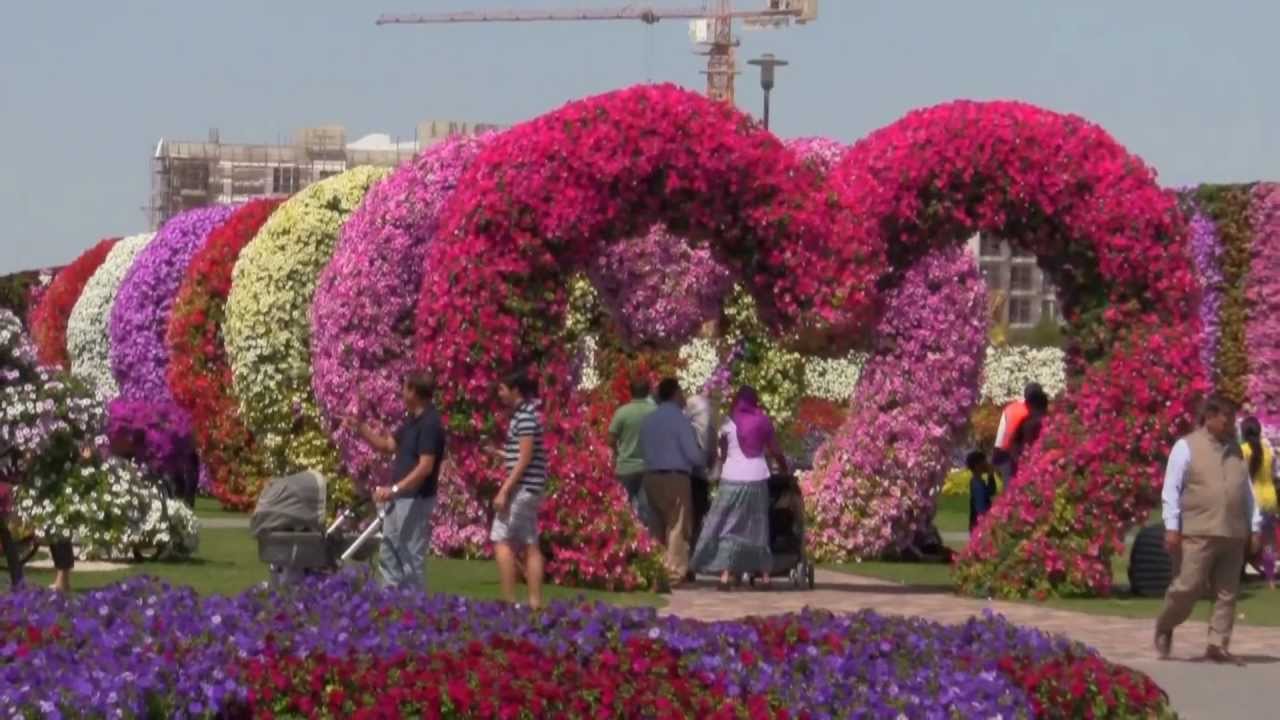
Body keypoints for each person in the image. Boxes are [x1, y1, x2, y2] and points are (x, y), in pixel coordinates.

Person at [1155, 395, 1264, 663]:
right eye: (1225, 417)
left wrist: (1255, 526)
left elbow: (1246, 492)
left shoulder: (1236, 450)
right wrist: (1171, 526)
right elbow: (1171, 489)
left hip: (1233, 532)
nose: (1230, 423)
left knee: (1227, 592)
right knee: (1188, 587)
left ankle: (1217, 644)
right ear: (1210, 416)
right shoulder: (1186, 446)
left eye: (1232, 417)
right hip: (1198, 531)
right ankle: (1166, 624)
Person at [345, 372, 446, 591]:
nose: (401, 392)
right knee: (389, 554)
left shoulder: (430, 423)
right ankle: (391, 606)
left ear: (414, 392)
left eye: (405, 388)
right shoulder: (411, 421)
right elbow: (387, 446)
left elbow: (425, 467)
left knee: (410, 558)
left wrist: (394, 489)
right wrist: (361, 428)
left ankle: (415, 610)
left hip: (415, 500)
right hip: (399, 498)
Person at [691, 386, 787, 591]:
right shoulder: (763, 421)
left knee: (728, 526)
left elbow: (723, 455)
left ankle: (725, 576)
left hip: (732, 479)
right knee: (757, 526)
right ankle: (765, 577)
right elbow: (776, 450)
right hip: (757, 478)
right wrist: (785, 469)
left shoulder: (728, 423)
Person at [639, 377, 705, 587]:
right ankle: (673, 573)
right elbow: (693, 454)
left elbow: (643, 447)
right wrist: (705, 461)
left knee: (656, 524)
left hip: (651, 476)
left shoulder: (649, 419)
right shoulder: (680, 420)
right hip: (675, 477)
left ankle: (655, 570)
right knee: (677, 525)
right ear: (675, 393)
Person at [491, 372, 549, 609]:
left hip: (523, 488)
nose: (500, 394)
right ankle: (535, 602)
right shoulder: (525, 415)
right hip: (530, 487)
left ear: (515, 389)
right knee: (530, 542)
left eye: (502, 389)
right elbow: (524, 454)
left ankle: (509, 600)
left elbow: (524, 458)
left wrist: (504, 490)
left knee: (501, 539)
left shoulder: (524, 417)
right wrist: (502, 454)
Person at [608, 378, 656, 527]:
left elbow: (610, 438)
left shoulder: (622, 412)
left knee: (622, 508)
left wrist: (617, 452)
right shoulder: (655, 412)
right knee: (646, 509)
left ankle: (625, 539)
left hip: (625, 467)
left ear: (631, 392)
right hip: (648, 468)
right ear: (648, 391)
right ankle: (646, 543)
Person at [1240, 416, 1279, 589]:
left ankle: (1240, 572)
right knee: (1269, 542)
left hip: (1252, 498)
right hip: (1269, 498)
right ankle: (1270, 580)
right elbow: (1273, 474)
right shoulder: (1268, 450)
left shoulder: (1243, 450)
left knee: (1243, 538)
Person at [684, 389, 717, 579]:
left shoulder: (685, 418)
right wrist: (710, 464)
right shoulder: (708, 419)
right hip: (699, 474)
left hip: (684, 472)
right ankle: (690, 563)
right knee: (696, 519)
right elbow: (711, 445)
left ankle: (683, 561)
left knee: (683, 519)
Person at [992, 383, 1042, 484]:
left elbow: (1000, 438)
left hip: (1007, 456)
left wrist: (995, 458)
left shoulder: (1010, 409)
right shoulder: (1039, 411)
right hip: (1031, 456)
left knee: (1011, 491)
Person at [1008, 386, 1049, 480]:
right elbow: (1014, 446)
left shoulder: (1026, 423)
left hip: (1031, 470)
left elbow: (1014, 446)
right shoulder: (1053, 421)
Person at [966, 450, 999, 532]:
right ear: (977, 465)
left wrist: (990, 475)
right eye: (984, 462)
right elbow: (981, 507)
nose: (986, 464)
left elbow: (991, 491)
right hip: (979, 524)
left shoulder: (979, 481)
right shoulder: (977, 484)